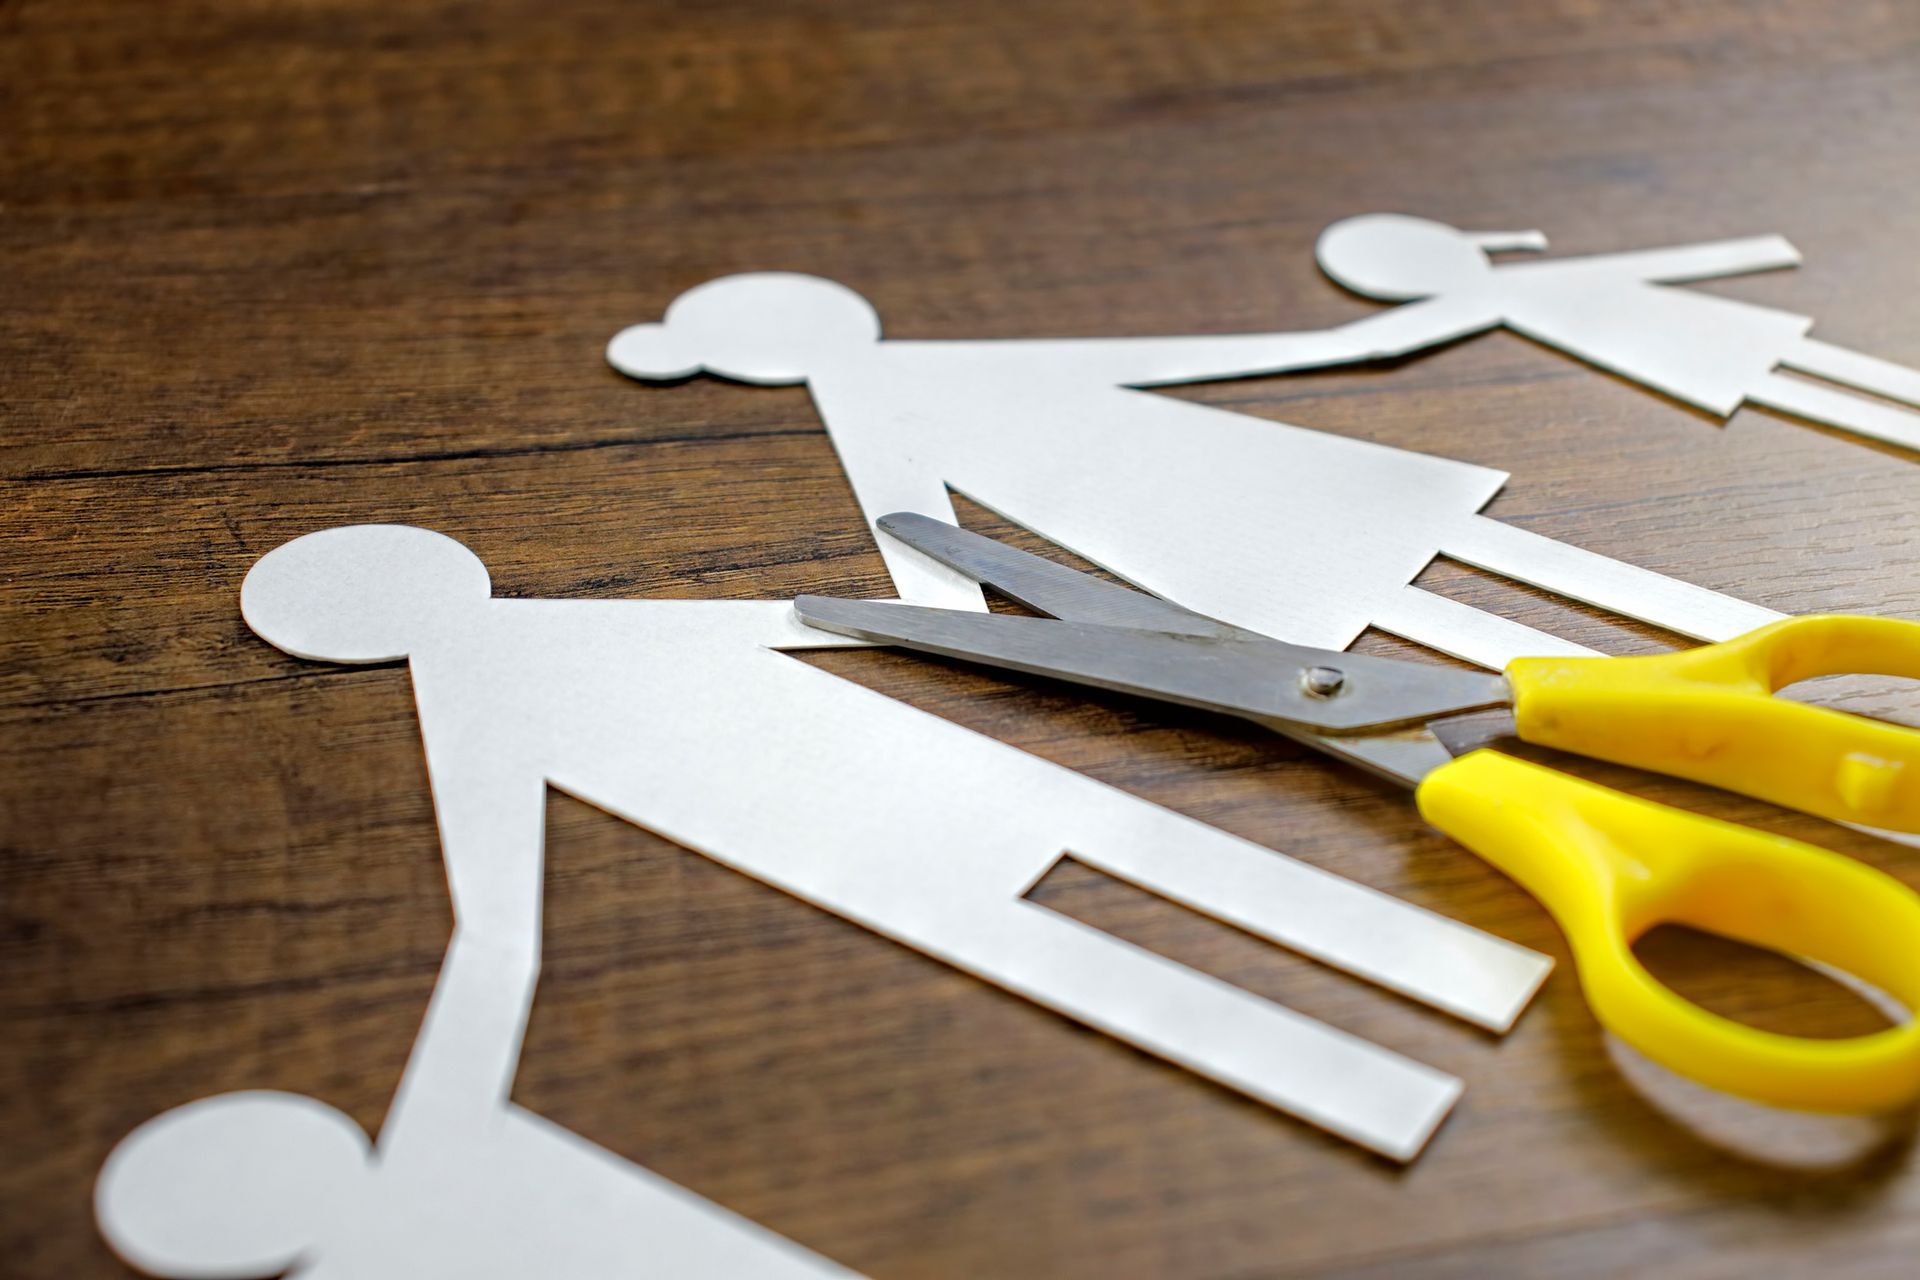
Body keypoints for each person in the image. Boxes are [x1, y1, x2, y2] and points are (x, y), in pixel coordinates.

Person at [95, 525, 1550, 1276]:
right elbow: (506, 901)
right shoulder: (531, 671)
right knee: (1212, 928)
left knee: (1178, 964)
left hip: (889, 832)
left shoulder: (508, 684)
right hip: (897, 819)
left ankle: (1384, 1063)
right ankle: (1401, 1047)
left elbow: (499, 913)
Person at [608, 273, 1777, 669]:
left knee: (1447, 626)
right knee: (1480, 593)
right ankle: (1722, 651)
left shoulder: (879, 399)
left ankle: (1711, 666)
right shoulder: (896, 385)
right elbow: (930, 549)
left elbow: (924, 553)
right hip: (1239, 517)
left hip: (1220, 540)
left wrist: (945, 627)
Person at [1316, 213, 1920, 452]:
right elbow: (1376, 342)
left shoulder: (1517, 289)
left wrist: (1753, 250)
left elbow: (1370, 341)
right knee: (1803, 386)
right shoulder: (1492, 298)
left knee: (1811, 370)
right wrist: (1753, 250)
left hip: (1690, 335)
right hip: (1673, 347)